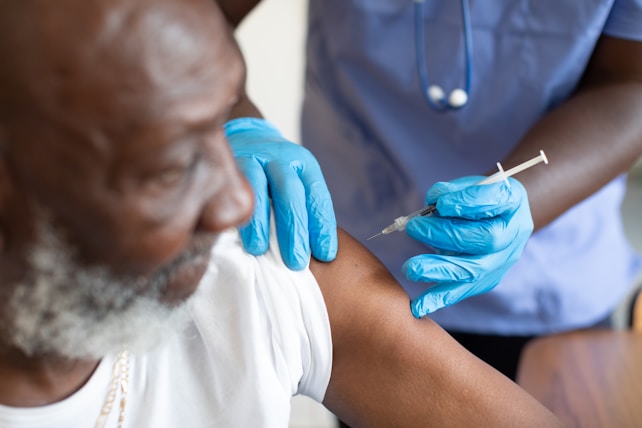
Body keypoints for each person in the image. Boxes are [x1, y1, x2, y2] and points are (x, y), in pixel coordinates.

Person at [0, 0, 563, 427]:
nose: (238, 201)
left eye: (217, 123)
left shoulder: (257, 265)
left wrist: (229, 125)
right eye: (173, 166)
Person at [220, 0, 642, 380]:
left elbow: (630, 83)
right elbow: (197, 13)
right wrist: (236, 116)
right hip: (355, 259)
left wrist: (522, 196)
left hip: (550, 284)